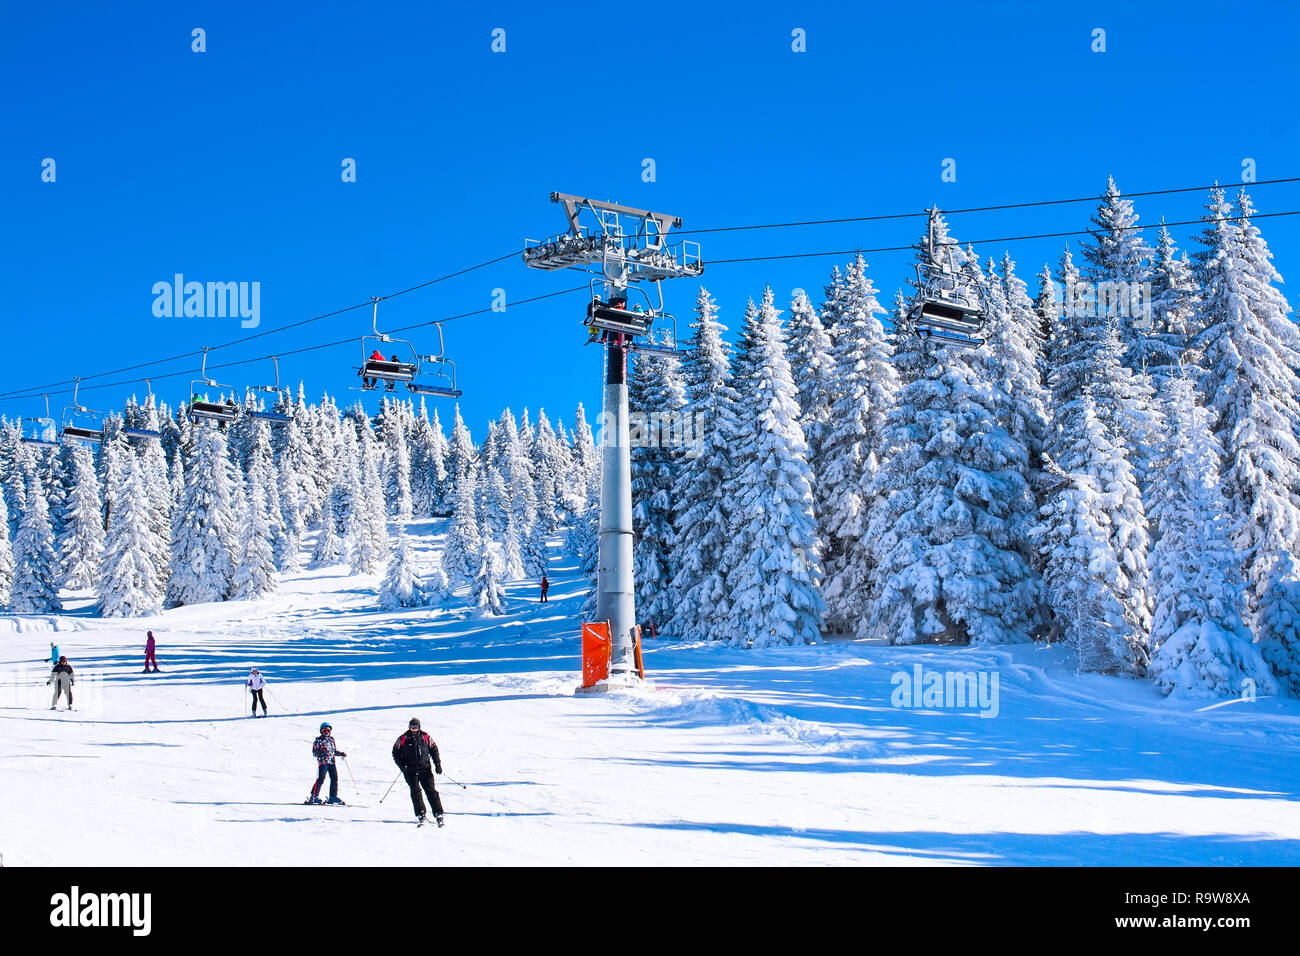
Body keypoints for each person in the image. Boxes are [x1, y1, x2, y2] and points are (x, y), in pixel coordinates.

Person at [392, 717, 444, 826]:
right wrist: (402, 767)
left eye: (415, 727)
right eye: (411, 727)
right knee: (415, 792)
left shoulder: (425, 737)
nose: (413, 729)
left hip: (425, 769)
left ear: (419, 727)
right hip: (410, 770)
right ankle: (421, 814)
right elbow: (395, 753)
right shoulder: (403, 738)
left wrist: (437, 764)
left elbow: (434, 750)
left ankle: (438, 813)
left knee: (431, 791)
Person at [307, 722, 347, 805]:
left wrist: (340, 753)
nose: (326, 732)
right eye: (324, 730)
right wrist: (319, 753)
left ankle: (333, 797)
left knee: (334, 778)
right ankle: (314, 796)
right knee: (321, 778)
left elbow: (333, 751)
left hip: (331, 762)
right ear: (321, 731)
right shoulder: (318, 740)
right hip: (323, 762)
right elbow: (314, 752)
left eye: (328, 730)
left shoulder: (331, 740)